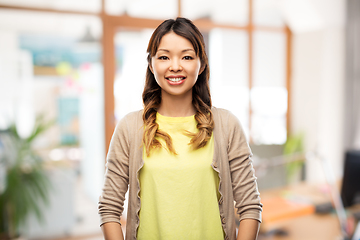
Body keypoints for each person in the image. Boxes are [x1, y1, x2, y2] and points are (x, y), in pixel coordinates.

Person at [98, 17, 262, 240]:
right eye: (164, 57)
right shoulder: (129, 128)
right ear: (151, 63)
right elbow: (109, 208)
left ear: (201, 64)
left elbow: (250, 207)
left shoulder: (226, 125)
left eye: (186, 57)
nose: (175, 66)